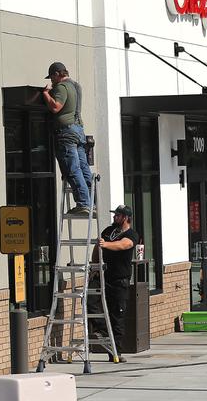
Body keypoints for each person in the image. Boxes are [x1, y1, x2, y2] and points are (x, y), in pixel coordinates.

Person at [42, 62, 95, 215]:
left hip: (66, 132)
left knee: (73, 169)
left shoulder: (62, 87)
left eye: (52, 77)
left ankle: (83, 203)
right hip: (78, 131)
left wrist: (46, 94)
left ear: (58, 74)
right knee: (84, 168)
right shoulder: (76, 86)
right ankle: (92, 202)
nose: (51, 81)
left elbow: (56, 107)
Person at [90, 204, 138, 362]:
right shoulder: (108, 231)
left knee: (117, 315)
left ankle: (115, 352)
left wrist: (106, 245)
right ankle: (101, 330)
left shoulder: (131, 234)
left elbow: (124, 245)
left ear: (125, 218)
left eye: (117, 215)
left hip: (119, 281)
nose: (114, 217)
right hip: (103, 276)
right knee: (91, 302)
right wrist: (95, 265)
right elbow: (98, 248)